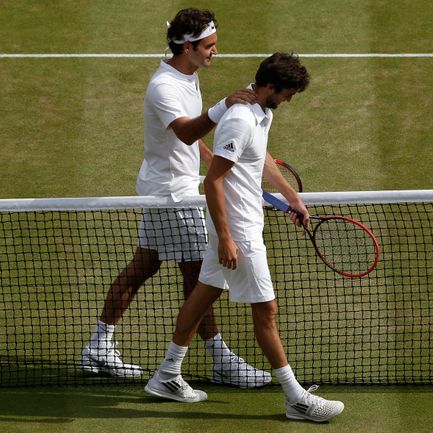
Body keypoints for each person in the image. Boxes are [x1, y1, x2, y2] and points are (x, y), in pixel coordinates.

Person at [144, 53, 345, 423]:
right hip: (238, 232)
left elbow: (260, 158)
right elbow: (213, 180)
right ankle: (295, 398)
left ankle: (167, 374)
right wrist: (225, 237)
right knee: (266, 311)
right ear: (269, 86)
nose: (289, 100)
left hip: (242, 226)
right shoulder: (238, 120)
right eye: (287, 93)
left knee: (204, 292)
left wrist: (291, 196)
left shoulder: (261, 112)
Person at [80, 8, 271, 389]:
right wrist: (223, 107)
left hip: (169, 187)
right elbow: (184, 131)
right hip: (171, 194)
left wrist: (213, 158)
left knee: (144, 266)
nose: (216, 51)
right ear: (188, 46)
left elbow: (188, 138)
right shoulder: (164, 86)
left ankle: (98, 346)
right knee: (201, 276)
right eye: (209, 46)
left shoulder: (188, 74)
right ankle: (218, 359)